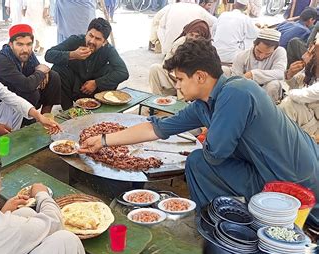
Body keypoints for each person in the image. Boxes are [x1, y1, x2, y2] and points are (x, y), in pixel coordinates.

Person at [79, 39, 319, 229]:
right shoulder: (204, 103)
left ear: (201, 76)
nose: (177, 86)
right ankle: (214, 218)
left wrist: (212, 133)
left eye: (180, 79)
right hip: (264, 170)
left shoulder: (237, 92)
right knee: (197, 161)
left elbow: (215, 154)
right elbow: (156, 128)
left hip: (293, 183)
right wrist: (102, 141)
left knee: (201, 161)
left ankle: (223, 227)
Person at [45, 18, 129, 110]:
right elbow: (49, 55)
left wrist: (97, 83)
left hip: (96, 91)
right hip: (75, 87)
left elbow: (123, 72)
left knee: (112, 69)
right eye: (90, 35)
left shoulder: (108, 49)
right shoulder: (75, 40)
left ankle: (102, 107)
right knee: (57, 69)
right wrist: (72, 54)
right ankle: (69, 110)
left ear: (104, 42)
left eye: (97, 39)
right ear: (86, 33)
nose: (92, 41)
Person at [0, 24, 61, 114]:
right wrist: (41, 72)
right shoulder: (2, 60)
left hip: (21, 91)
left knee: (53, 76)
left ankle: (45, 116)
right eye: (20, 44)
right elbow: (27, 85)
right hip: (3, 102)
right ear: (10, 44)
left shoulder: (27, 53)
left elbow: (39, 69)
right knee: (31, 93)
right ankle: (26, 123)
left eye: (29, 44)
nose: (25, 49)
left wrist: (43, 72)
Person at [149, 19, 211, 97]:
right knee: (155, 68)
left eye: (197, 36)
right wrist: (178, 77)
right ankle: (156, 101)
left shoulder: (207, 49)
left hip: (195, 84)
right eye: (191, 34)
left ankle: (184, 105)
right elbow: (167, 65)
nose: (193, 38)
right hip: (175, 79)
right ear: (186, 33)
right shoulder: (179, 44)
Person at [230, 29, 287, 103]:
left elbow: (280, 73)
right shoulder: (242, 56)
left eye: (267, 54)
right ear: (254, 44)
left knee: (273, 85)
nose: (261, 56)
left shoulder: (279, 52)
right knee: (224, 70)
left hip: (266, 91)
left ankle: (266, 112)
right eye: (259, 51)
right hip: (245, 89)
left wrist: (253, 74)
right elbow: (235, 80)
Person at [280, 41, 319, 138]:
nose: (304, 56)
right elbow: (298, 86)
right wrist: (289, 75)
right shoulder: (311, 68)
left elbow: (300, 96)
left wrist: (289, 94)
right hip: (305, 115)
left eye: (311, 53)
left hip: (315, 124)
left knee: (288, 104)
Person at [151, 2, 216, 57]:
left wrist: (154, 41)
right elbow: (215, 22)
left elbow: (157, 22)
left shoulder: (170, 7)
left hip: (169, 49)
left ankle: (165, 48)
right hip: (180, 51)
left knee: (161, 27)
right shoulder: (199, 10)